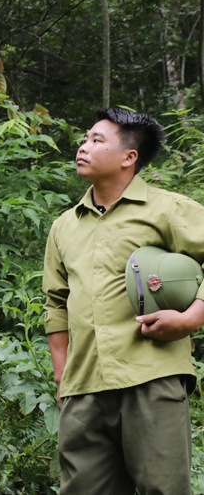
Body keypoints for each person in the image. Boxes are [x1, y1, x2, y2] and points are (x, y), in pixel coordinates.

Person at [43, 108, 204, 495]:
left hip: (152, 376)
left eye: (97, 140)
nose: (84, 147)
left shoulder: (168, 209)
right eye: (85, 138)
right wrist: (63, 378)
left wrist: (192, 318)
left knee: (162, 489)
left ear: (129, 157)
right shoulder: (64, 226)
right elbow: (55, 303)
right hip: (83, 389)